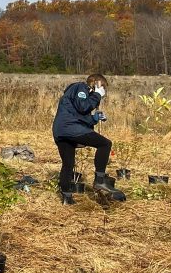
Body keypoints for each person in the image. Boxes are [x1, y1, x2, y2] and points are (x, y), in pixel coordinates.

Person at [52, 74, 125, 204]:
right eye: (102, 87)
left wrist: (94, 119)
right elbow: (83, 106)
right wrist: (96, 95)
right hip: (70, 128)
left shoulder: (73, 95)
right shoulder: (81, 87)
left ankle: (67, 197)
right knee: (105, 144)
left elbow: (80, 115)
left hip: (61, 130)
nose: (103, 91)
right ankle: (100, 180)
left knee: (68, 164)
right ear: (96, 83)